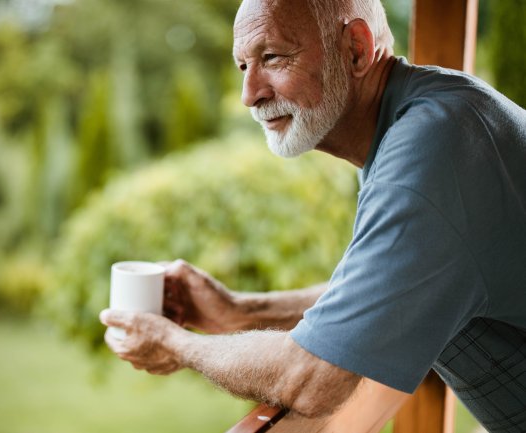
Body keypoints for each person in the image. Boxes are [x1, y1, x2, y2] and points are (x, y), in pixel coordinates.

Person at [99, 0, 526, 430]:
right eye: (243, 66)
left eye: (272, 57)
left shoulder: (432, 154)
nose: (250, 94)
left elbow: (311, 377)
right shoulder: (431, 117)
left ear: (356, 49)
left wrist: (173, 344)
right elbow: (376, 298)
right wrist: (238, 311)